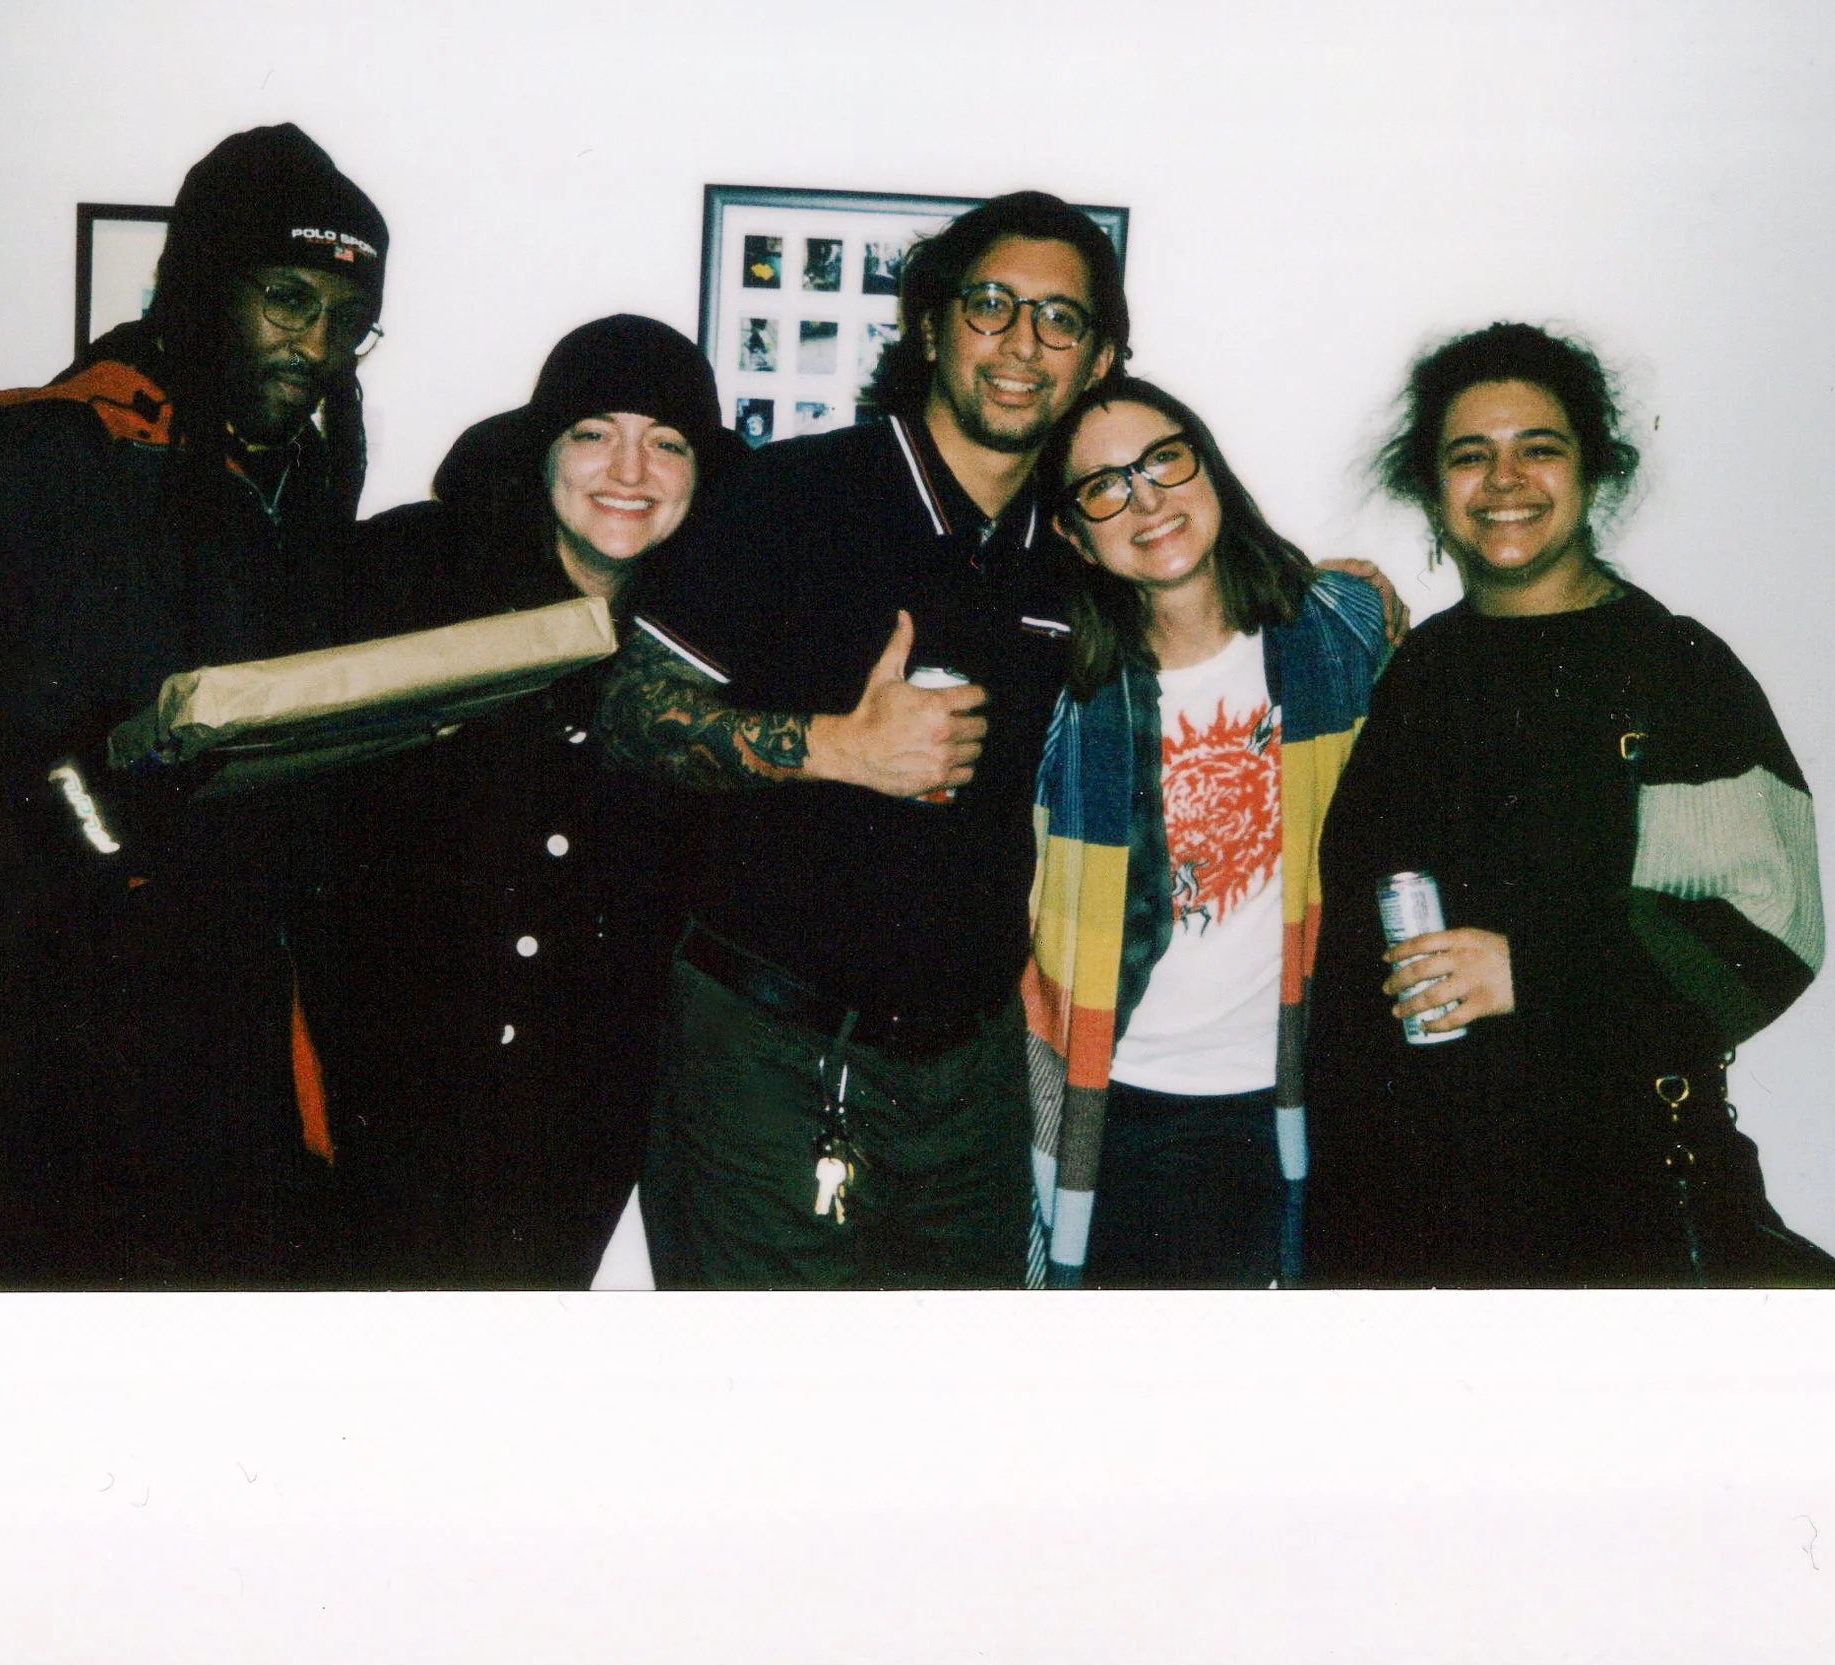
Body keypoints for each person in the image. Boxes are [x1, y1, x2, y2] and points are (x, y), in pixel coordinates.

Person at [0, 122, 391, 1290]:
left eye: (346, 319)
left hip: (229, 1046)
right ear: (203, 284)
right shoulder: (55, 459)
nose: (316, 345)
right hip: (50, 1048)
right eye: (286, 299)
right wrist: (62, 812)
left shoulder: (300, 485)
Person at [597, 191, 1129, 1288]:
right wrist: (837, 746)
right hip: (770, 1060)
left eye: (1059, 319)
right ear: (930, 325)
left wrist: (1346, 589)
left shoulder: (1071, 551)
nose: (1021, 343)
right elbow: (631, 718)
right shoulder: (791, 494)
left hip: (972, 1079)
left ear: (1097, 360)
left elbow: (1205, 577)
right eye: (990, 304)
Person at [1301, 323, 1835, 1288]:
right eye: (1469, 456)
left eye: (1539, 449)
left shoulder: (1675, 670)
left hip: (1602, 1204)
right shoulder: (1416, 669)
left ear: (1594, 473)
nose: (1504, 480)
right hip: (1396, 1203)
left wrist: (1534, 970)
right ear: (1431, 490)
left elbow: (1770, 932)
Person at [329, 316, 741, 1287]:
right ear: (544, 451)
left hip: (582, 1115)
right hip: (393, 1092)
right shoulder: (408, 574)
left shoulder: (722, 639)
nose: (630, 471)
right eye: (595, 432)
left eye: (667, 443)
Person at [1023, 377, 1392, 1288]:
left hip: (1310, 1078)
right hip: (1129, 1096)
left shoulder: (1338, 631)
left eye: (1163, 460)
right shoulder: (1061, 695)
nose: (1146, 499)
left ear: (1208, 466)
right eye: (1104, 487)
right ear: (1073, 533)